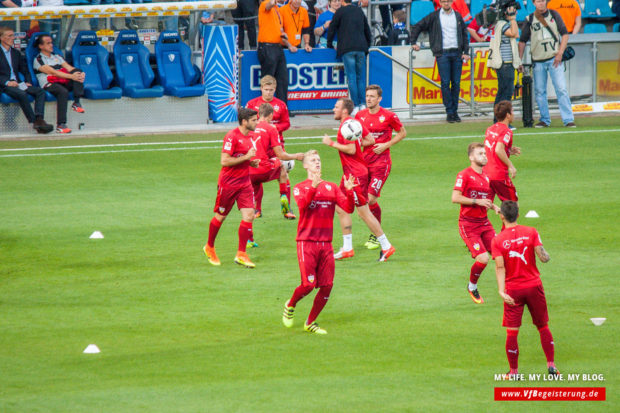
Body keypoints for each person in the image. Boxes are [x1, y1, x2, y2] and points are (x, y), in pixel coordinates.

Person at [282, 149, 356, 334]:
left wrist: (349, 192)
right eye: (313, 160)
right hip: (306, 242)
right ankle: (290, 305)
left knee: (327, 286)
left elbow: (348, 208)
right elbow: (302, 206)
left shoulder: (331, 187)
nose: (317, 162)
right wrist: (314, 186)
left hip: (326, 244)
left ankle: (310, 322)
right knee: (308, 285)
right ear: (305, 165)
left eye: (319, 159)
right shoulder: (300, 187)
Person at [322, 98, 396, 262]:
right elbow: (370, 140)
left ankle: (386, 245)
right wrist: (357, 140)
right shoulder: (355, 123)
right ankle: (347, 248)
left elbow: (350, 148)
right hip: (349, 173)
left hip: (355, 175)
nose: (334, 109)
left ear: (345, 111)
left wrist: (331, 143)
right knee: (340, 206)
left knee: (364, 212)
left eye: (336, 107)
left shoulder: (345, 127)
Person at [491, 200, 558, 377]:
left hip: (513, 290)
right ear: (518, 215)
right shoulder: (531, 232)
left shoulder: (497, 240)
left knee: (512, 332)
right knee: (543, 327)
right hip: (534, 286)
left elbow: (500, 267)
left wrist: (501, 291)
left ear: (502, 216)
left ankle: (513, 372)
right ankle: (551, 366)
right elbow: (544, 258)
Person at [203, 108, 260, 268]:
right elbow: (225, 161)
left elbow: (241, 159)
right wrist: (247, 157)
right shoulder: (232, 136)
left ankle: (241, 254)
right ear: (244, 121)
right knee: (221, 216)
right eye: (254, 120)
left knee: (249, 215)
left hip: (244, 183)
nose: (256, 123)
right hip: (228, 184)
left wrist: (250, 162)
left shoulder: (249, 138)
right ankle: (209, 246)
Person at [355, 85, 406, 249]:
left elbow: (402, 133)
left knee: (370, 199)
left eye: (372, 96)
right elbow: (357, 137)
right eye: (367, 96)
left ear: (379, 99)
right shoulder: (360, 116)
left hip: (381, 163)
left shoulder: (389, 116)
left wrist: (386, 145)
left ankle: (376, 236)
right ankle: (376, 232)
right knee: (364, 200)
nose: (368, 99)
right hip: (364, 162)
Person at [451, 142, 500, 304]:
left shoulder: (486, 176)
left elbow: (484, 199)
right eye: (480, 154)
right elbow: (455, 198)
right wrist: (476, 201)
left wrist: (494, 207)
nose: (484, 156)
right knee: (483, 259)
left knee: (500, 255)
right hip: (468, 225)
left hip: (484, 223)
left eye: (485, 153)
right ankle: (472, 286)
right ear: (471, 157)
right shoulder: (464, 175)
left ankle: (508, 288)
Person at [411, 0, 470, 123]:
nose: (446, 3)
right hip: (442, 53)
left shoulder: (458, 16)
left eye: (448, 1)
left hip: (457, 53)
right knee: (445, 83)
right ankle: (450, 111)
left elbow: (464, 34)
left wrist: (466, 52)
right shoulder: (434, 16)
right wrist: (413, 42)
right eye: (443, 1)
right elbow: (418, 26)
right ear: (440, 3)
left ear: (452, 2)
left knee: (456, 83)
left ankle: (455, 111)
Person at [518, 0, 576, 128]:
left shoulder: (554, 15)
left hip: (554, 58)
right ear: (534, 3)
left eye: (543, 1)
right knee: (540, 91)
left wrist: (560, 53)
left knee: (561, 89)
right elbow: (522, 41)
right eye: (538, 1)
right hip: (538, 60)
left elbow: (565, 34)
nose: (541, 4)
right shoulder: (530, 19)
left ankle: (568, 119)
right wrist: (519, 60)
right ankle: (544, 119)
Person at [246, 75, 295, 218]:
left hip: (276, 144)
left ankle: (287, 208)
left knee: (284, 172)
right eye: (266, 89)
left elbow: (286, 123)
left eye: (271, 90)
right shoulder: (251, 104)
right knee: (257, 174)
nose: (269, 93)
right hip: (259, 144)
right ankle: (257, 209)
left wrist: (272, 127)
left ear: (275, 89)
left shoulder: (281, 104)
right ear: (261, 88)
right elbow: (246, 125)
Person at [250, 103, 304, 220]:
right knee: (282, 169)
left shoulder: (251, 128)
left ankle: (257, 210)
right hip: (263, 169)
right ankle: (286, 209)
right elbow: (280, 154)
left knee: (256, 182)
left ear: (259, 114)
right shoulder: (271, 128)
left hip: (249, 170)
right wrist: (296, 156)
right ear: (271, 115)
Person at [0, 26, 53, 133]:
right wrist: (7, 82)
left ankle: (39, 119)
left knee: (40, 92)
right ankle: (34, 122)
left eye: (13, 35)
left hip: (19, 83)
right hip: (4, 85)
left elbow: (24, 70)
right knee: (21, 94)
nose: (13, 38)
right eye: (10, 36)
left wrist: (28, 81)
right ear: (2, 38)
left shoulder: (15, 53)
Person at [32, 34, 86, 134]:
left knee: (77, 71)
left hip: (62, 80)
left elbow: (70, 69)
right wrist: (72, 76)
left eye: (51, 43)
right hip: (49, 83)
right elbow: (53, 72)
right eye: (48, 43)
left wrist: (80, 73)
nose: (51, 45)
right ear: (41, 46)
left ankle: (76, 102)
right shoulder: (38, 59)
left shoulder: (57, 56)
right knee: (63, 92)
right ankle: (61, 125)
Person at [326, 0, 371, 115]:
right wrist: (367, 45)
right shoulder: (359, 11)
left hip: (347, 48)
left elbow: (332, 28)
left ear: (342, 1)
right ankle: (363, 105)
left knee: (351, 77)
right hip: (361, 48)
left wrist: (329, 44)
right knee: (360, 78)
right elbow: (367, 30)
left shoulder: (340, 12)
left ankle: (355, 106)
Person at [486, 2, 521, 125]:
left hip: (505, 64)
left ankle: (498, 120)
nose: (516, 12)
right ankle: (502, 121)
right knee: (505, 95)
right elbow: (515, 34)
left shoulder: (500, 24)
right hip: (505, 64)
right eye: (514, 9)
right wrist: (513, 19)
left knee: (502, 93)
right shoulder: (504, 24)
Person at [483, 101, 521, 203]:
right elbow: (498, 149)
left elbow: (491, 148)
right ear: (508, 115)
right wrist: (511, 166)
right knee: (511, 206)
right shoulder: (506, 131)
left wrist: (508, 150)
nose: (514, 114)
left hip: (486, 174)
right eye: (512, 111)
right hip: (499, 175)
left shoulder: (490, 129)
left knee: (484, 206)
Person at [257, 0, 294, 104]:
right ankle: (265, 108)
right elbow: (270, 4)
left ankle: (282, 107)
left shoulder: (277, 9)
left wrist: (289, 44)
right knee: (268, 80)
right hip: (267, 46)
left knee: (282, 80)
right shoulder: (265, 4)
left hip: (278, 47)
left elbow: (279, 30)